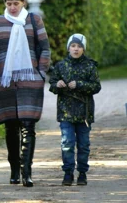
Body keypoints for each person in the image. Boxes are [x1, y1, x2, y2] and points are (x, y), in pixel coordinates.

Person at [0, 0, 51, 187]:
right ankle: (14, 170)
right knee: (10, 127)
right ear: (5, 4)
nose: (13, 7)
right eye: (9, 3)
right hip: (5, 82)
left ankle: (27, 172)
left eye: (16, 3)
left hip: (30, 80)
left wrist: (41, 72)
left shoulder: (33, 20)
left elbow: (44, 47)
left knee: (28, 125)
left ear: (23, 2)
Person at [49, 33, 101, 186]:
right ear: (69, 48)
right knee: (67, 143)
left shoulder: (90, 66)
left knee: (83, 145)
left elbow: (96, 86)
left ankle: (82, 173)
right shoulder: (60, 66)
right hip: (66, 113)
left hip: (84, 114)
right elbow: (52, 84)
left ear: (83, 49)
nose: (76, 49)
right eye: (73, 46)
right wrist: (57, 85)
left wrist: (79, 84)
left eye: (79, 46)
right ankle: (68, 173)